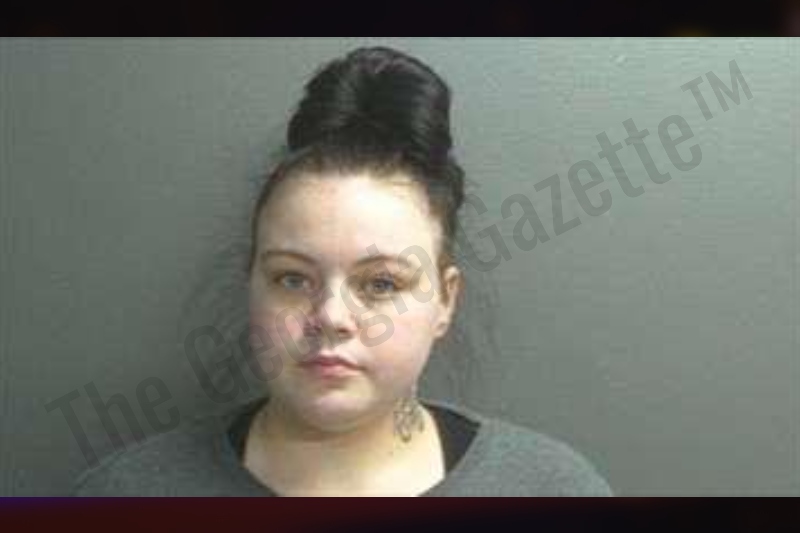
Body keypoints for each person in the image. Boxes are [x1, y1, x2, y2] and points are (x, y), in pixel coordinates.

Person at [74, 46, 612, 497]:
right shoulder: (127, 494)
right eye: (292, 279)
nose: (330, 317)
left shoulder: (551, 489)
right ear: (251, 282)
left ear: (445, 301)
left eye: (381, 284)